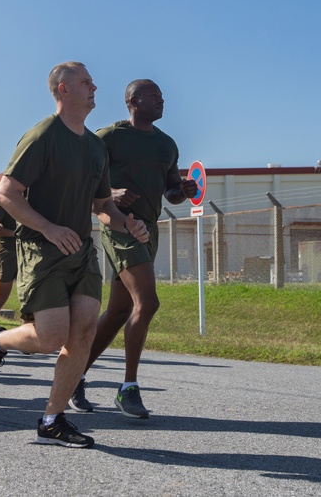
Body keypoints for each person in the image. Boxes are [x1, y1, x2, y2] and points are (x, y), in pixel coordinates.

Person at [0, 61, 149, 449]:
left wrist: (126, 224)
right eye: (86, 81)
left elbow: (102, 204)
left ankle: (52, 419)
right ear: (63, 89)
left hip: (81, 251)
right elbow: (6, 193)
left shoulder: (95, 146)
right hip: (42, 249)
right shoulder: (43, 136)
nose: (94, 86)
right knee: (51, 337)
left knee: (83, 332)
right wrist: (48, 228)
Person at [72, 79, 198, 419]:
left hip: (149, 230)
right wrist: (109, 194)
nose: (161, 100)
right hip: (119, 226)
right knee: (148, 301)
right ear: (133, 100)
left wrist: (182, 189)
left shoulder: (167, 145)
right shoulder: (108, 137)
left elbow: (171, 191)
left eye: (162, 95)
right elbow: (82, 177)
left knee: (116, 313)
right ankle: (128, 388)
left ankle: (73, 376)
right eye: (154, 95)